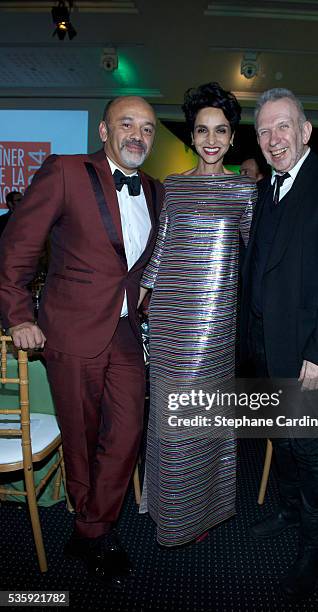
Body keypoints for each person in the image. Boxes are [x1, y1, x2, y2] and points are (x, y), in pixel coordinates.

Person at [0, 96, 163, 586]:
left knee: (129, 430)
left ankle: (91, 526)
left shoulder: (156, 191)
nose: (138, 135)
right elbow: (17, 246)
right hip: (70, 330)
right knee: (81, 437)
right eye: (127, 124)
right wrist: (18, 315)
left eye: (149, 129)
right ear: (103, 131)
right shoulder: (67, 171)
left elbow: (141, 267)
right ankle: (94, 532)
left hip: (126, 333)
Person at [239, 88, 318, 600]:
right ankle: (291, 512)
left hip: (308, 354)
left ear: (305, 130)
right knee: (282, 442)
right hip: (264, 350)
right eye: (264, 130)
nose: (273, 139)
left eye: (283, 126)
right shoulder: (265, 190)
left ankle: (315, 544)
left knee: (312, 453)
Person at [138, 82, 257, 546]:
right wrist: (136, 301)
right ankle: (171, 513)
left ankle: (198, 512)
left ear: (232, 138)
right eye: (203, 130)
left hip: (216, 326)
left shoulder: (245, 192)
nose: (211, 139)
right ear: (191, 135)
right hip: (169, 321)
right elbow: (161, 251)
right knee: (169, 423)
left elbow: (257, 261)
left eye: (221, 131)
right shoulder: (174, 187)